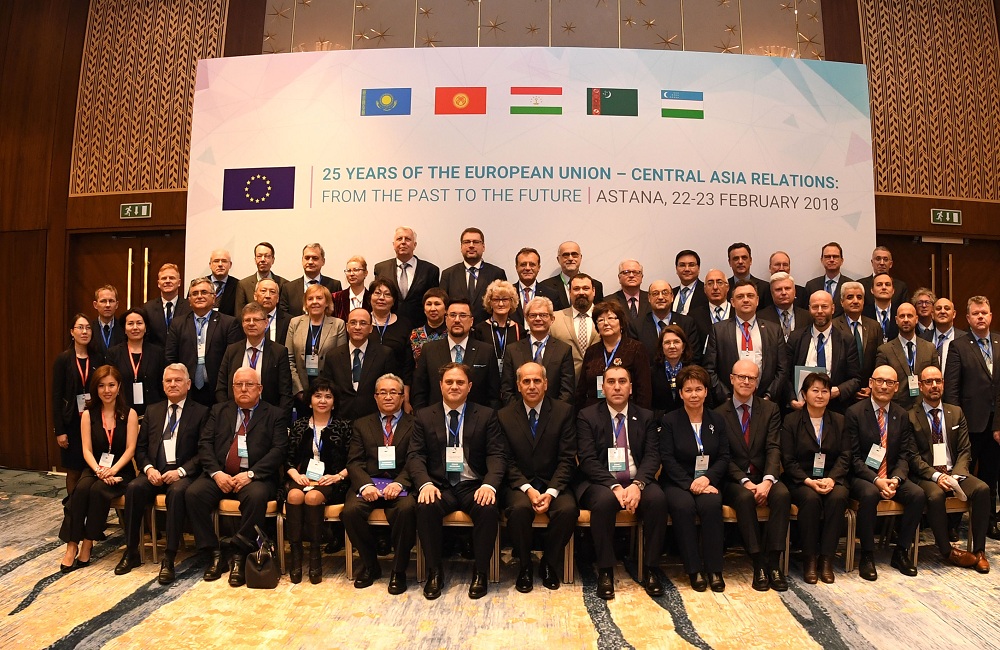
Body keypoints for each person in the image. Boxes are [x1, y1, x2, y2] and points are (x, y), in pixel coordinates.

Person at [408, 363, 506, 600]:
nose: (454, 386)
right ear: (440, 385)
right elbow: (415, 455)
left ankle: (480, 572)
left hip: (473, 484)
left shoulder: (486, 415)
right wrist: (425, 484)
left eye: (460, 382)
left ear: (469, 386)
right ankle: (434, 571)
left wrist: (489, 485)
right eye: (449, 382)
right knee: (425, 506)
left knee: (488, 507)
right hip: (439, 485)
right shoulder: (424, 416)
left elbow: (497, 454)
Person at [185, 367, 288, 587]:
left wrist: (251, 474)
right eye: (238, 385)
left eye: (249, 384)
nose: (243, 389)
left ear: (260, 388)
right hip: (220, 473)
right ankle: (214, 552)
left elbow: (279, 451)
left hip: (256, 476)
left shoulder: (275, 414)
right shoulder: (218, 410)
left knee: (256, 497)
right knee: (194, 493)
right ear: (232, 388)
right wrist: (216, 473)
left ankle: (240, 553)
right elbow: (205, 444)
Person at [575, 366, 667, 599]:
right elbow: (587, 459)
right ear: (603, 387)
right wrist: (614, 486)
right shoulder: (587, 416)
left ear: (631, 387)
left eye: (622, 381)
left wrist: (638, 485)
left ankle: (651, 569)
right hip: (600, 482)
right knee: (604, 502)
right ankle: (605, 570)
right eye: (611, 382)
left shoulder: (645, 416)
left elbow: (652, 456)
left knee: (657, 499)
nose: (617, 387)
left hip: (637, 481)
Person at [115, 364, 209, 583]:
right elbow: (140, 448)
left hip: (183, 474)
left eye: (177, 380)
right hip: (154, 472)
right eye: (168, 381)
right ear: (163, 384)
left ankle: (169, 557)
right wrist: (148, 469)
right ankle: (131, 550)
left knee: (176, 493)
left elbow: (204, 452)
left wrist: (181, 472)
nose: (172, 384)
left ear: (188, 384)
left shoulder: (201, 412)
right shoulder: (153, 410)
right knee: (134, 488)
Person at [498, 362, 579, 592]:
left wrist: (551, 492)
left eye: (537, 381)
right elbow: (506, 460)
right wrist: (528, 489)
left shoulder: (563, 412)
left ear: (546, 383)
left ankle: (549, 563)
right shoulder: (504, 416)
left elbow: (567, 458)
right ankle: (524, 565)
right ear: (518, 385)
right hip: (520, 485)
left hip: (554, 482)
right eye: (526, 381)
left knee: (567, 510)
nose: (532, 386)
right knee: (519, 510)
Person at [715, 359, 790, 591]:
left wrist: (767, 480)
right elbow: (723, 456)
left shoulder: (770, 409)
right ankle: (758, 563)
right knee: (745, 497)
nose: (746, 381)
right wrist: (745, 481)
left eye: (751, 378)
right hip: (734, 480)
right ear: (732, 379)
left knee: (783, 495)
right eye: (741, 377)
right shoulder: (718, 414)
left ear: (757, 382)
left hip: (765, 476)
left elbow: (773, 447)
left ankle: (774, 563)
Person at [846, 365, 926, 580]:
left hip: (891, 475)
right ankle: (867, 555)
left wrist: (896, 479)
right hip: (862, 476)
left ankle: (901, 552)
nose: (884, 386)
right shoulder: (855, 413)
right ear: (871, 383)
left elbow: (904, 455)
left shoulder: (901, 415)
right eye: (879, 381)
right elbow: (853, 458)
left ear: (897, 387)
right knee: (870, 494)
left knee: (917, 494)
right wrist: (876, 480)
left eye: (890, 382)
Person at [908, 365, 989, 572]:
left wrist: (956, 476)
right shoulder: (911, 416)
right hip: (927, 475)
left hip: (956, 472)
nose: (934, 385)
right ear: (920, 386)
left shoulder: (956, 412)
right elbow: (913, 457)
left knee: (982, 489)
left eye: (938, 381)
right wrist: (937, 476)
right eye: (929, 382)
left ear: (943, 384)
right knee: (935, 495)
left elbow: (965, 450)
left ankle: (979, 552)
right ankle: (947, 551)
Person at [58, 365, 138, 572]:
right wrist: (99, 471)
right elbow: (86, 450)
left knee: (98, 490)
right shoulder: (88, 414)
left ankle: (88, 541)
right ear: (96, 388)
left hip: (121, 470)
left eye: (111, 385)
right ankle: (72, 544)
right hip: (95, 467)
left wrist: (112, 471)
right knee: (81, 489)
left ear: (119, 387)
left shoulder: (129, 414)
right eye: (101, 386)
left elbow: (130, 449)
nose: (107, 390)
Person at [343, 374, 418, 594]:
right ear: (375, 397)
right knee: (350, 512)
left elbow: (416, 459)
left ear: (402, 396)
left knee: (407, 510)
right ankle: (370, 565)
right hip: (370, 484)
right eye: (382, 392)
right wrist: (365, 485)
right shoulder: (361, 424)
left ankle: (398, 570)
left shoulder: (415, 424)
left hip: (400, 484)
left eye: (393, 392)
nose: (388, 397)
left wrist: (401, 483)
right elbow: (354, 461)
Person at [659, 365, 730, 592]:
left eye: (698, 389)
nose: (694, 395)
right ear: (680, 393)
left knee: (711, 505)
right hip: (677, 482)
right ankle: (694, 569)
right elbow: (667, 458)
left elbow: (724, 457)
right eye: (688, 390)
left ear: (706, 391)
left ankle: (714, 569)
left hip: (707, 481)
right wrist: (690, 483)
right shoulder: (670, 420)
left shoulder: (717, 420)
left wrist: (707, 479)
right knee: (684, 506)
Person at [780, 372, 850, 584]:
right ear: (804, 394)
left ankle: (826, 559)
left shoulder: (839, 420)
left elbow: (845, 456)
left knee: (838, 497)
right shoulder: (791, 421)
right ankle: (809, 559)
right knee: (810, 500)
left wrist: (832, 479)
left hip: (830, 477)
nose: (820, 395)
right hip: (801, 479)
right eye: (815, 390)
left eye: (824, 391)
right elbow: (788, 460)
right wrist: (808, 481)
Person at [283, 378, 352, 584]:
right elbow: (287, 459)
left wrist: (338, 476)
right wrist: (295, 475)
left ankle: (315, 555)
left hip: (333, 480)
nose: (322, 400)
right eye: (318, 396)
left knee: (312, 497)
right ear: (310, 400)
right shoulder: (299, 425)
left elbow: (354, 460)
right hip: (303, 478)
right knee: (294, 495)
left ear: (334, 402)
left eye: (328, 397)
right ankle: (296, 556)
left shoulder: (344, 426)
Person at [944, 296, 1000, 539]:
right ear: (967, 318)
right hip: (968, 424)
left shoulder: (999, 342)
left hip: (995, 425)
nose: (980, 317)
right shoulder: (959, 346)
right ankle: (953, 523)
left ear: (991, 316)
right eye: (975, 313)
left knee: (991, 475)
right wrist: (956, 425)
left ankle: (988, 523)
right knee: (961, 474)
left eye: (984, 313)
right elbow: (951, 390)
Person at [703, 280, 788, 405]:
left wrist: (768, 397)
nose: (746, 300)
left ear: (757, 300)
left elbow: (782, 369)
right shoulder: (718, 330)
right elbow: (709, 369)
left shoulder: (774, 330)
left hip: (765, 402)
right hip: (729, 404)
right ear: (732, 302)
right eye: (740, 296)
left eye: (750, 296)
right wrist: (727, 398)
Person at [165, 277, 243, 406]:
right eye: (195, 293)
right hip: (187, 390)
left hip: (218, 389)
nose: (199, 296)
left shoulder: (228, 323)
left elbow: (233, 360)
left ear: (214, 297)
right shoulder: (178, 324)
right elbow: (170, 357)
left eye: (204, 292)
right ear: (189, 300)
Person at [412, 299, 500, 409]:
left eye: (463, 315)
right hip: (436, 417)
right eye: (453, 315)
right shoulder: (429, 350)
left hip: (476, 417)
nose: (457, 320)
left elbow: (494, 395)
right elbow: (419, 392)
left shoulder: (486, 351)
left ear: (471, 321)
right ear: (446, 319)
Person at [787, 291, 862, 413]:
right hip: (801, 407)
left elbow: (855, 379)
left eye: (824, 306)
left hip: (835, 408)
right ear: (809, 309)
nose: (820, 311)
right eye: (815, 307)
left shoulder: (846, 340)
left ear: (833, 309)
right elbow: (786, 374)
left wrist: (838, 390)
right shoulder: (796, 338)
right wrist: (791, 399)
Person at [52, 314, 102, 495]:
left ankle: (91, 506)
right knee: (74, 470)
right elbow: (56, 396)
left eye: (88, 328)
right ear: (72, 332)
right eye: (80, 327)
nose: (84, 331)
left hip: (94, 421)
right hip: (72, 422)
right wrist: (60, 431)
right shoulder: (63, 359)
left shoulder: (98, 358)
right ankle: (73, 508)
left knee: (93, 469)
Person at [216, 302, 294, 418]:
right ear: (242, 323)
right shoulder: (232, 350)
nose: (251, 323)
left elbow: (285, 393)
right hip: (235, 415)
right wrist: (228, 413)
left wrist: (277, 419)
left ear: (266, 323)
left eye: (256, 320)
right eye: (247, 320)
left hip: (268, 417)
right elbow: (221, 388)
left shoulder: (279, 352)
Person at [320, 308, 398, 421]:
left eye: (363, 323)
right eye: (353, 323)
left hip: (373, 418)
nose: (357, 327)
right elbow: (328, 388)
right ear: (347, 327)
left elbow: (390, 388)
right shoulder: (333, 356)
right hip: (341, 418)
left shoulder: (385, 354)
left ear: (371, 328)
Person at [576, 300, 652, 409]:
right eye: (600, 320)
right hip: (595, 411)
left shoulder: (636, 348)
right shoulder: (592, 351)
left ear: (621, 323)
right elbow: (582, 389)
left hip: (627, 411)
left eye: (611, 318)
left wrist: (640, 415)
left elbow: (644, 390)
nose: (606, 323)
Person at [499, 296, 575, 405]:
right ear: (526, 319)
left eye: (543, 315)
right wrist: (519, 412)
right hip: (519, 412)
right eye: (533, 315)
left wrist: (555, 412)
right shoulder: (512, 350)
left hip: (554, 412)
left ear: (552, 319)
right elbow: (507, 390)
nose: (538, 319)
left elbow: (567, 391)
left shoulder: (563, 350)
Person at [286, 283, 347, 408]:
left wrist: (327, 393)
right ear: (305, 303)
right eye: (310, 299)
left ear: (327, 302)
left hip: (328, 393)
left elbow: (340, 362)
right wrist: (299, 390)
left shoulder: (338, 325)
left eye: (319, 298)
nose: (315, 302)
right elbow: (289, 359)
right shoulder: (295, 323)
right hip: (301, 391)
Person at [874, 302, 938, 410]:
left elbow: (936, 379)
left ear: (916, 319)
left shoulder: (930, 348)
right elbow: (880, 383)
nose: (906, 320)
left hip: (924, 408)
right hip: (896, 409)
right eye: (902, 316)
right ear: (896, 320)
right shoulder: (885, 350)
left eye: (910, 316)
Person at [374, 226, 441, 326]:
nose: (403, 242)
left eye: (408, 239)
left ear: (414, 245)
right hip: (389, 326)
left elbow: (433, 301)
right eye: (399, 239)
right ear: (393, 244)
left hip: (420, 326)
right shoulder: (381, 269)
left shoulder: (430, 270)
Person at [439, 227, 507, 323]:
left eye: (476, 242)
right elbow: (443, 307)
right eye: (467, 242)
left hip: (488, 329)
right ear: (461, 247)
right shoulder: (448, 274)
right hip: (457, 327)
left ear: (483, 247)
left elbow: (504, 305)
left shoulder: (497, 273)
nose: (471, 245)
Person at [106, 308, 166, 417]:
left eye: (139, 323)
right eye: (130, 324)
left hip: (153, 413)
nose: (135, 327)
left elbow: (162, 386)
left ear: (145, 327)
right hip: (122, 412)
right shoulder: (113, 353)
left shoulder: (158, 353)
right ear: (124, 329)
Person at [548, 273, 601, 381]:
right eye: (576, 289)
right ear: (569, 292)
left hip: (598, 382)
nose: (581, 292)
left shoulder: (606, 317)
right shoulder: (554, 319)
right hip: (564, 382)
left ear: (594, 291)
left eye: (586, 288)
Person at [832, 281, 883, 392]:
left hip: (869, 389)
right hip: (842, 391)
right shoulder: (833, 326)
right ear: (841, 302)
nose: (855, 301)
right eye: (850, 297)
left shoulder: (874, 326)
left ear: (863, 301)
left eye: (859, 297)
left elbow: (879, 359)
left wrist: (871, 387)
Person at [368, 277, 416, 396]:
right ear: (370, 298)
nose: (381, 298)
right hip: (366, 387)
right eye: (377, 293)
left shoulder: (405, 324)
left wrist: (405, 395)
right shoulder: (361, 323)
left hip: (396, 390)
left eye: (387, 294)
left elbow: (408, 364)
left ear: (394, 300)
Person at [635, 280, 701, 364]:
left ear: (672, 297)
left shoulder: (687, 323)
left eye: (665, 293)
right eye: (655, 293)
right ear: (649, 298)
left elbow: (694, 357)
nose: (660, 297)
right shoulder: (637, 325)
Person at [279, 243, 342, 318]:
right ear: (302, 260)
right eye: (307, 258)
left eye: (315, 258)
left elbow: (338, 314)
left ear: (323, 261)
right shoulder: (288, 288)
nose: (310, 262)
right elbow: (284, 317)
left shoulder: (335, 285)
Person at [538, 241, 605, 311]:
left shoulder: (596, 285)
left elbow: (599, 313)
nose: (570, 258)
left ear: (580, 258)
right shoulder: (545, 287)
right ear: (558, 259)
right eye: (565, 255)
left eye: (574, 255)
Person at [472, 279, 522, 374]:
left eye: (505, 299)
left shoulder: (519, 329)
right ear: (490, 302)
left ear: (511, 302)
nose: (501, 304)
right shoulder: (479, 330)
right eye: (496, 299)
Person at [510, 247, 561, 328]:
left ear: (538, 268)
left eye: (532, 264)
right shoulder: (508, 293)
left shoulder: (551, 294)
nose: (527, 268)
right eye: (523, 264)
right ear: (516, 267)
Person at [142, 263, 190, 347]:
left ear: (179, 282)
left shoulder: (189, 306)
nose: (167, 281)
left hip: (182, 353)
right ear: (158, 283)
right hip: (156, 353)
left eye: (172, 278)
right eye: (164, 278)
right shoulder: (148, 308)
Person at [651, 324, 692, 417]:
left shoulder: (694, 372)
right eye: (667, 343)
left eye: (676, 342)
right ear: (661, 347)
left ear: (683, 346)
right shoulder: (651, 373)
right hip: (660, 421)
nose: (672, 346)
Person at [758, 272, 812, 342]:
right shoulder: (761, 317)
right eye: (778, 289)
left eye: (787, 288)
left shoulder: (808, 316)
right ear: (772, 293)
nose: (783, 293)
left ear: (794, 292)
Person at [235, 242, 286, 315]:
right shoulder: (243, 285)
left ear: (273, 260)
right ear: (255, 260)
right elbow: (240, 314)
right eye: (259, 256)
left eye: (267, 256)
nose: (262, 259)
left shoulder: (284, 284)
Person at [804, 242, 852, 314]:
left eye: (835, 256)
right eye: (827, 257)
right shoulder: (811, 285)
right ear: (822, 260)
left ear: (842, 261)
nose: (831, 260)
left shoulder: (850, 285)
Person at [923, 297, 963, 375]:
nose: (942, 311)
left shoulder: (964, 339)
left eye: (947, 309)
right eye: (938, 309)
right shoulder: (922, 338)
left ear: (954, 314)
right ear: (932, 314)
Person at [689, 269, 731, 344]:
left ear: (727, 287)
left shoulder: (738, 312)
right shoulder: (694, 316)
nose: (715, 287)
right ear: (705, 289)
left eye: (719, 283)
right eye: (710, 283)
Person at [726, 242, 770, 309]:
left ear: (750, 261)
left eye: (744, 258)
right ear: (729, 262)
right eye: (736, 258)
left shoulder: (765, 287)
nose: (740, 262)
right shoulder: (724, 287)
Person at [408, 288, 449, 361]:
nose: (432, 309)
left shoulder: (451, 334)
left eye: (437, 304)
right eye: (429, 304)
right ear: (424, 309)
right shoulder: (415, 334)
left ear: (446, 309)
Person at [607, 259, 649, 328]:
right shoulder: (609, 301)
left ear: (642, 277)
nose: (631, 275)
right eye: (626, 272)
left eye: (636, 272)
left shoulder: (651, 299)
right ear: (619, 277)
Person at [91, 284, 125, 361]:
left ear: (117, 305)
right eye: (103, 301)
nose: (107, 305)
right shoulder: (89, 328)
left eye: (111, 301)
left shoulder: (124, 328)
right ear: (95, 305)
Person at [331, 255, 371, 320]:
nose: (351, 274)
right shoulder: (336, 298)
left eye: (356, 270)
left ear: (365, 273)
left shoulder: (371, 298)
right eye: (349, 271)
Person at [253, 278, 291, 345]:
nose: (268, 296)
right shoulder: (245, 320)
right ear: (255, 296)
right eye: (263, 291)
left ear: (278, 298)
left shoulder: (289, 321)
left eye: (272, 292)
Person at [862, 273, 900, 341]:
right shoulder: (863, 313)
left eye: (887, 284)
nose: (884, 287)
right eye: (879, 285)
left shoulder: (900, 312)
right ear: (872, 290)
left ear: (893, 290)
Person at [672, 249, 705, 317]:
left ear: (698, 268)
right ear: (676, 269)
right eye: (682, 265)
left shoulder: (706, 291)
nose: (687, 269)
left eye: (691, 265)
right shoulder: (671, 293)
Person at [205, 249, 238, 316]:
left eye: (224, 261)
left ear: (230, 265)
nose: (220, 264)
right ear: (210, 265)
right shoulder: (199, 284)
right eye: (216, 261)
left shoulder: (238, 285)